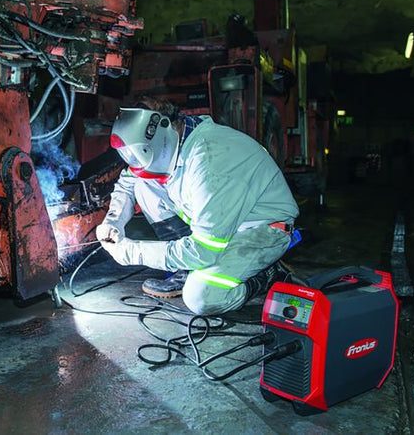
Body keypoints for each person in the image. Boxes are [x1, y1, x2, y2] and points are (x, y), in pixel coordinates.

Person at [96, 99, 299, 315]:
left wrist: (131, 253)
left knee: (201, 297)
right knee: (144, 183)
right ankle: (186, 268)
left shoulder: (210, 160)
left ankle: (266, 275)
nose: (135, 162)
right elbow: (128, 182)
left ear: (163, 128)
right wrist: (113, 221)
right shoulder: (172, 141)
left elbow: (203, 250)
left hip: (260, 230)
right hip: (219, 225)